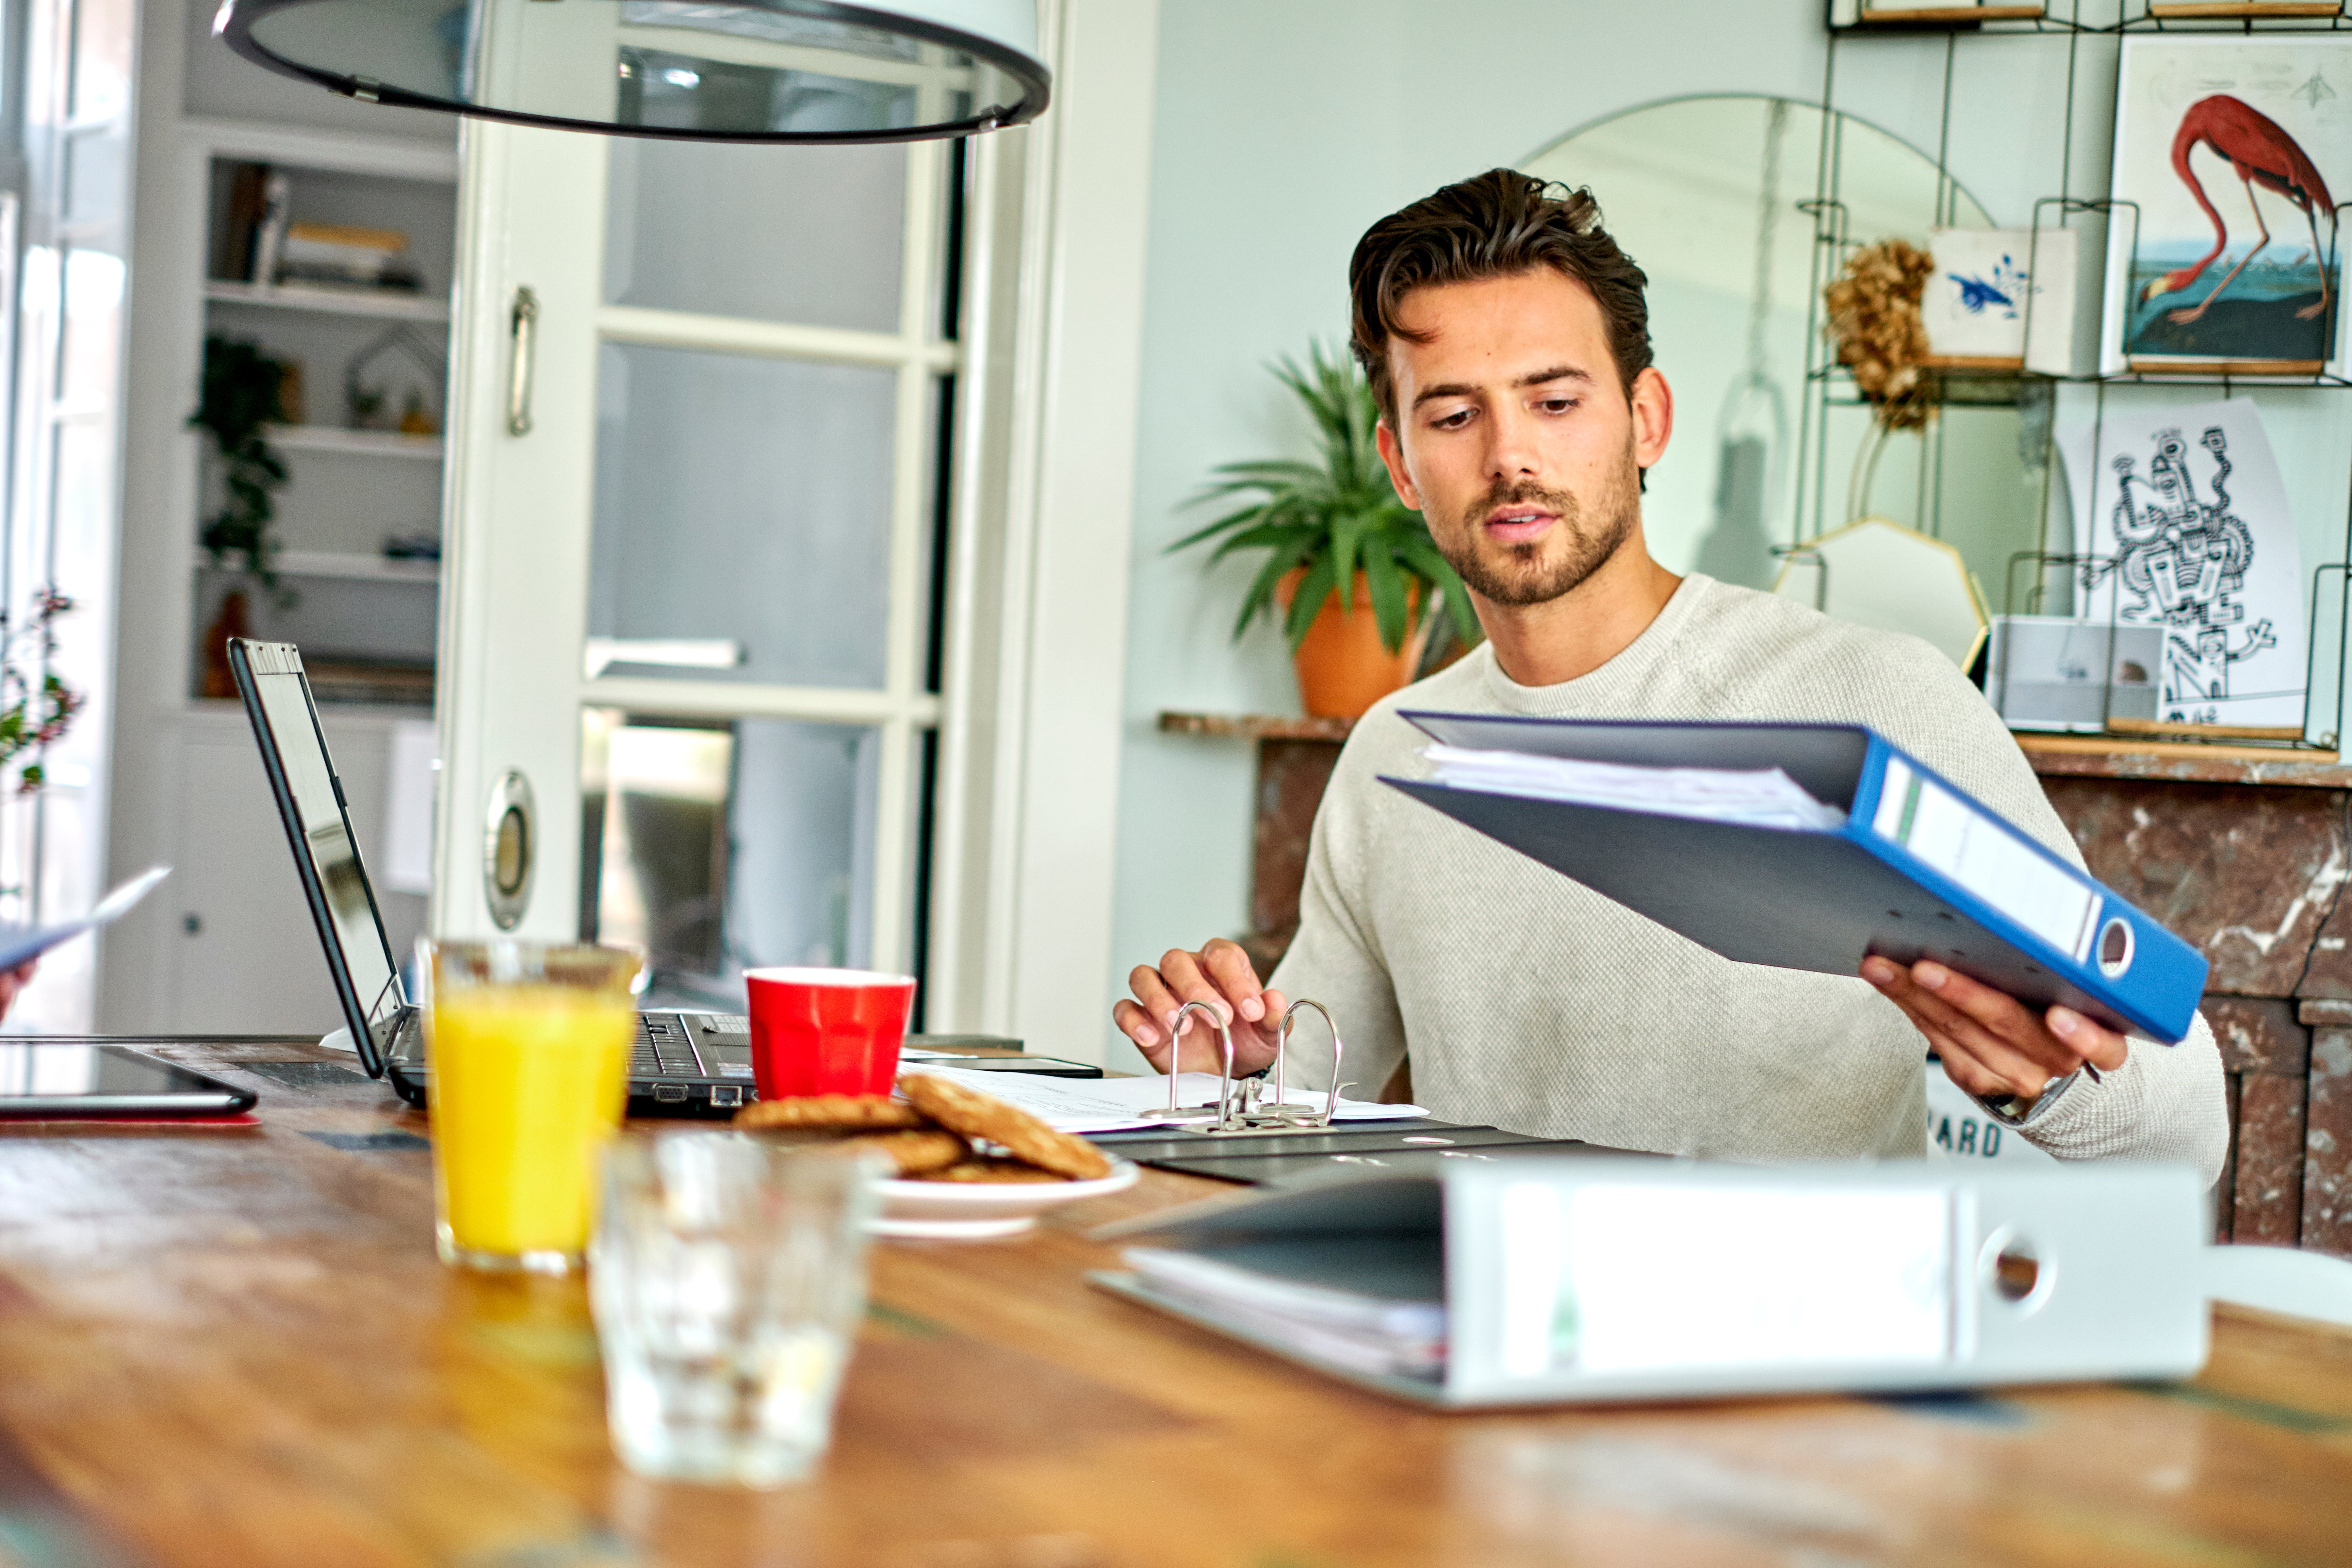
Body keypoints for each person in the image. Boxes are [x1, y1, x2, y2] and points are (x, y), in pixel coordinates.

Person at [1116, 170, 2227, 1179]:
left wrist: (2046, 1077)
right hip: (1494, 1346)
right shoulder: (1397, 753)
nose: (1511, 455)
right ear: (1403, 463)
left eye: (1556, 403)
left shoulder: (1877, 701)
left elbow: (2188, 1132)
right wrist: (1232, 1071)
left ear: (1644, 420)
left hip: (1806, 1372)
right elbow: (1297, 1096)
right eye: (1455, 414)